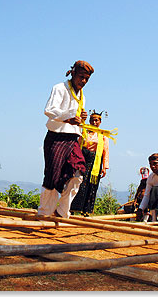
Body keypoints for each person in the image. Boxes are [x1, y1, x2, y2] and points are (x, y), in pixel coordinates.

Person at [38, 60, 94, 219]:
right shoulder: (60, 88)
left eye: (87, 79)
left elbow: (77, 117)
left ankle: (62, 211)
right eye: (81, 77)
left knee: (78, 174)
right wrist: (68, 117)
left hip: (74, 138)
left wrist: (82, 118)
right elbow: (49, 110)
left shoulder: (82, 95)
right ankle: (44, 213)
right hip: (56, 137)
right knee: (52, 175)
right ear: (73, 73)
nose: (83, 81)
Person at [70, 110, 110, 216]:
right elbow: (78, 146)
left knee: (92, 184)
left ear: (100, 122)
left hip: (95, 160)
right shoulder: (84, 132)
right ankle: (73, 208)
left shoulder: (103, 135)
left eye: (96, 120)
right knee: (79, 182)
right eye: (92, 120)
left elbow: (105, 151)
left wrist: (105, 167)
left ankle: (87, 210)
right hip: (83, 158)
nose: (94, 122)